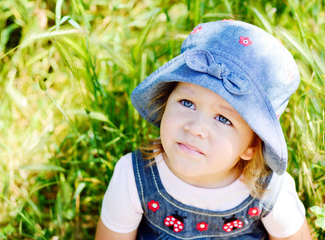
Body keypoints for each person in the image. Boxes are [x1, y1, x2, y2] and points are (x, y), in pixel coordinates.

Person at [95, 20, 312, 240]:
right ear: (165, 103)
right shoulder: (135, 177)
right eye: (187, 103)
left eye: (223, 119)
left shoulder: (266, 189)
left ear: (251, 147)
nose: (196, 128)